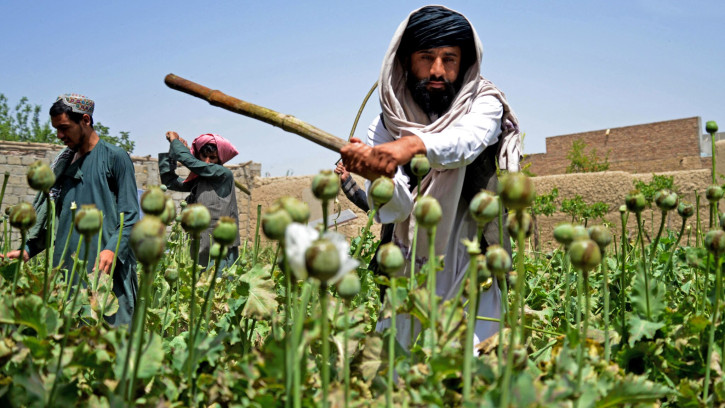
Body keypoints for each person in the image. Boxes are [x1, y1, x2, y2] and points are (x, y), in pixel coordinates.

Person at [340, 5, 522, 347]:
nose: (437, 71)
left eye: (449, 58)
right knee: (394, 376)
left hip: (473, 265)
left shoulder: (483, 103)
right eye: (426, 57)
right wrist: (379, 179)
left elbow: (463, 144)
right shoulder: (384, 124)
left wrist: (410, 146)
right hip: (408, 269)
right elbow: (398, 207)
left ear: (464, 62)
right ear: (406, 61)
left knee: (476, 378)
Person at [6, 93, 140, 326]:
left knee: (113, 345)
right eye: (56, 129)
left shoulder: (115, 158)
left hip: (106, 271)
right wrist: (28, 249)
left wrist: (111, 249)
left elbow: (129, 215)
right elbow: (57, 222)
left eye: (64, 128)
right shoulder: (62, 165)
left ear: (85, 121)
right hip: (67, 272)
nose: (59, 135)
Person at [158, 132, 240, 270]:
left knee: (221, 285)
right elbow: (170, 182)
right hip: (200, 243)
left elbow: (191, 162)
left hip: (220, 244)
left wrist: (175, 143)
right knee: (200, 285)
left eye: (212, 158)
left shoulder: (224, 175)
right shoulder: (199, 180)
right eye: (204, 157)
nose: (207, 161)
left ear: (220, 159)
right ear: (199, 155)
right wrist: (172, 150)